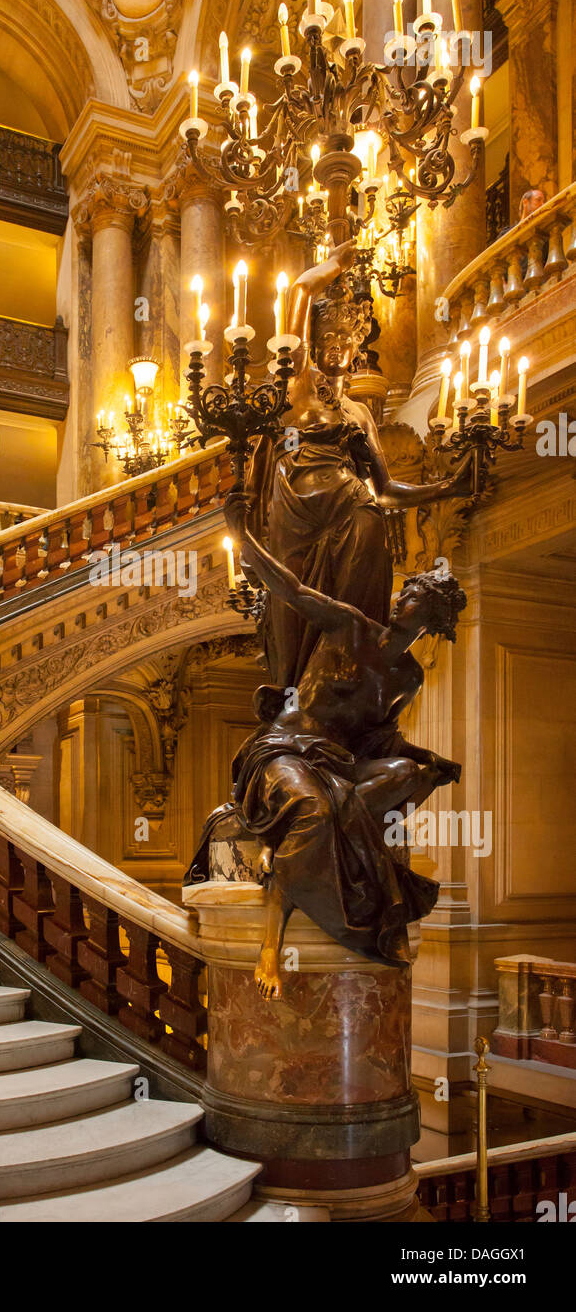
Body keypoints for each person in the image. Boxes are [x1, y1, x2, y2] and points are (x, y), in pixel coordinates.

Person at [215, 493, 466, 999]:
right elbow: (290, 588)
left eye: (415, 596)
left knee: (406, 776)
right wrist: (242, 534)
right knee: (314, 809)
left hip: (338, 762)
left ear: (431, 619)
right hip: (285, 749)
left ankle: (307, 854)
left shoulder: (408, 677)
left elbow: (382, 740)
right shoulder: (350, 624)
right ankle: (272, 942)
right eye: (406, 590)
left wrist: (429, 762)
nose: (402, 598)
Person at [246, 240, 472, 687]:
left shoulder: (360, 413)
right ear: (313, 340)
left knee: (352, 615)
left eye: (346, 339)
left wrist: (447, 488)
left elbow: (385, 489)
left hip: (357, 512)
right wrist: (330, 266)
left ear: (357, 348)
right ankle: (294, 699)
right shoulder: (297, 384)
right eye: (328, 336)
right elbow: (298, 292)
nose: (337, 346)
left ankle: (347, 684)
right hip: (297, 517)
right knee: (294, 612)